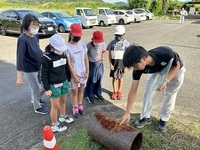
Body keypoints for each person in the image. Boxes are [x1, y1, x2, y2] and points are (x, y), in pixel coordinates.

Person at [120, 45, 186, 132]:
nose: (135, 69)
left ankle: (164, 119)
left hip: (176, 70)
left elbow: (176, 66)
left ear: (143, 59)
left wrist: (166, 81)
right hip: (158, 71)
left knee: (170, 94)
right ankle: (145, 117)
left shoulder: (166, 53)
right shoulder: (138, 69)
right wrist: (127, 112)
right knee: (148, 90)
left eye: (135, 66)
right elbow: (133, 90)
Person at [16, 13, 48, 115]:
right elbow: (20, 58)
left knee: (43, 85)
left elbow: (38, 49)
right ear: (26, 25)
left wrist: (44, 54)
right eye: (33, 25)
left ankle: (36, 98)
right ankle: (37, 107)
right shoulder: (22, 39)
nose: (36, 27)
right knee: (36, 88)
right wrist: (19, 77)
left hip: (38, 66)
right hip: (29, 69)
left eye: (37, 25)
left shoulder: (35, 36)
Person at [41, 34, 74, 132]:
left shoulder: (63, 53)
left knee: (63, 101)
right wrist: (47, 88)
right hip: (53, 85)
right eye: (59, 49)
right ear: (52, 47)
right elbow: (43, 74)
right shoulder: (46, 57)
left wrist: (68, 80)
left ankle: (63, 116)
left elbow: (66, 68)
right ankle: (54, 125)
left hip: (63, 81)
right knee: (55, 106)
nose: (61, 51)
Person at [66, 23, 89, 118]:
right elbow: (69, 63)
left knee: (81, 90)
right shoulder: (67, 47)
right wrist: (74, 76)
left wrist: (87, 72)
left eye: (79, 35)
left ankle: (80, 104)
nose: (78, 37)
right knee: (74, 91)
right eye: (76, 35)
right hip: (74, 74)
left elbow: (86, 59)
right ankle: (74, 106)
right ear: (70, 34)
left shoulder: (83, 45)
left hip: (83, 72)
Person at [107, 25, 130, 100]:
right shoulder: (112, 43)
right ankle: (115, 91)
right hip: (114, 63)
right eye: (116, 35)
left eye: (120, 35)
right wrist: (110, 64)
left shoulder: (127, 44)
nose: (118, 36)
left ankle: (119, 91)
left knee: (121, 78)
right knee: (114, 78)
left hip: (122, 64)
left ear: (124, 34)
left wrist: (127, 66)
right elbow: (110, 54)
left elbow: (129, 56)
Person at [84, 30, 107, 103]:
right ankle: (90, 94)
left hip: (99, 63)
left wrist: (101, 58)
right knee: (91, 79)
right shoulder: (88, 45)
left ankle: (98, 93)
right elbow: (86, 56)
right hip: (91, 64)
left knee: (99, 79)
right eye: (96, 41)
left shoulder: (103, 43)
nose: (98, 43)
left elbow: (103, 52)